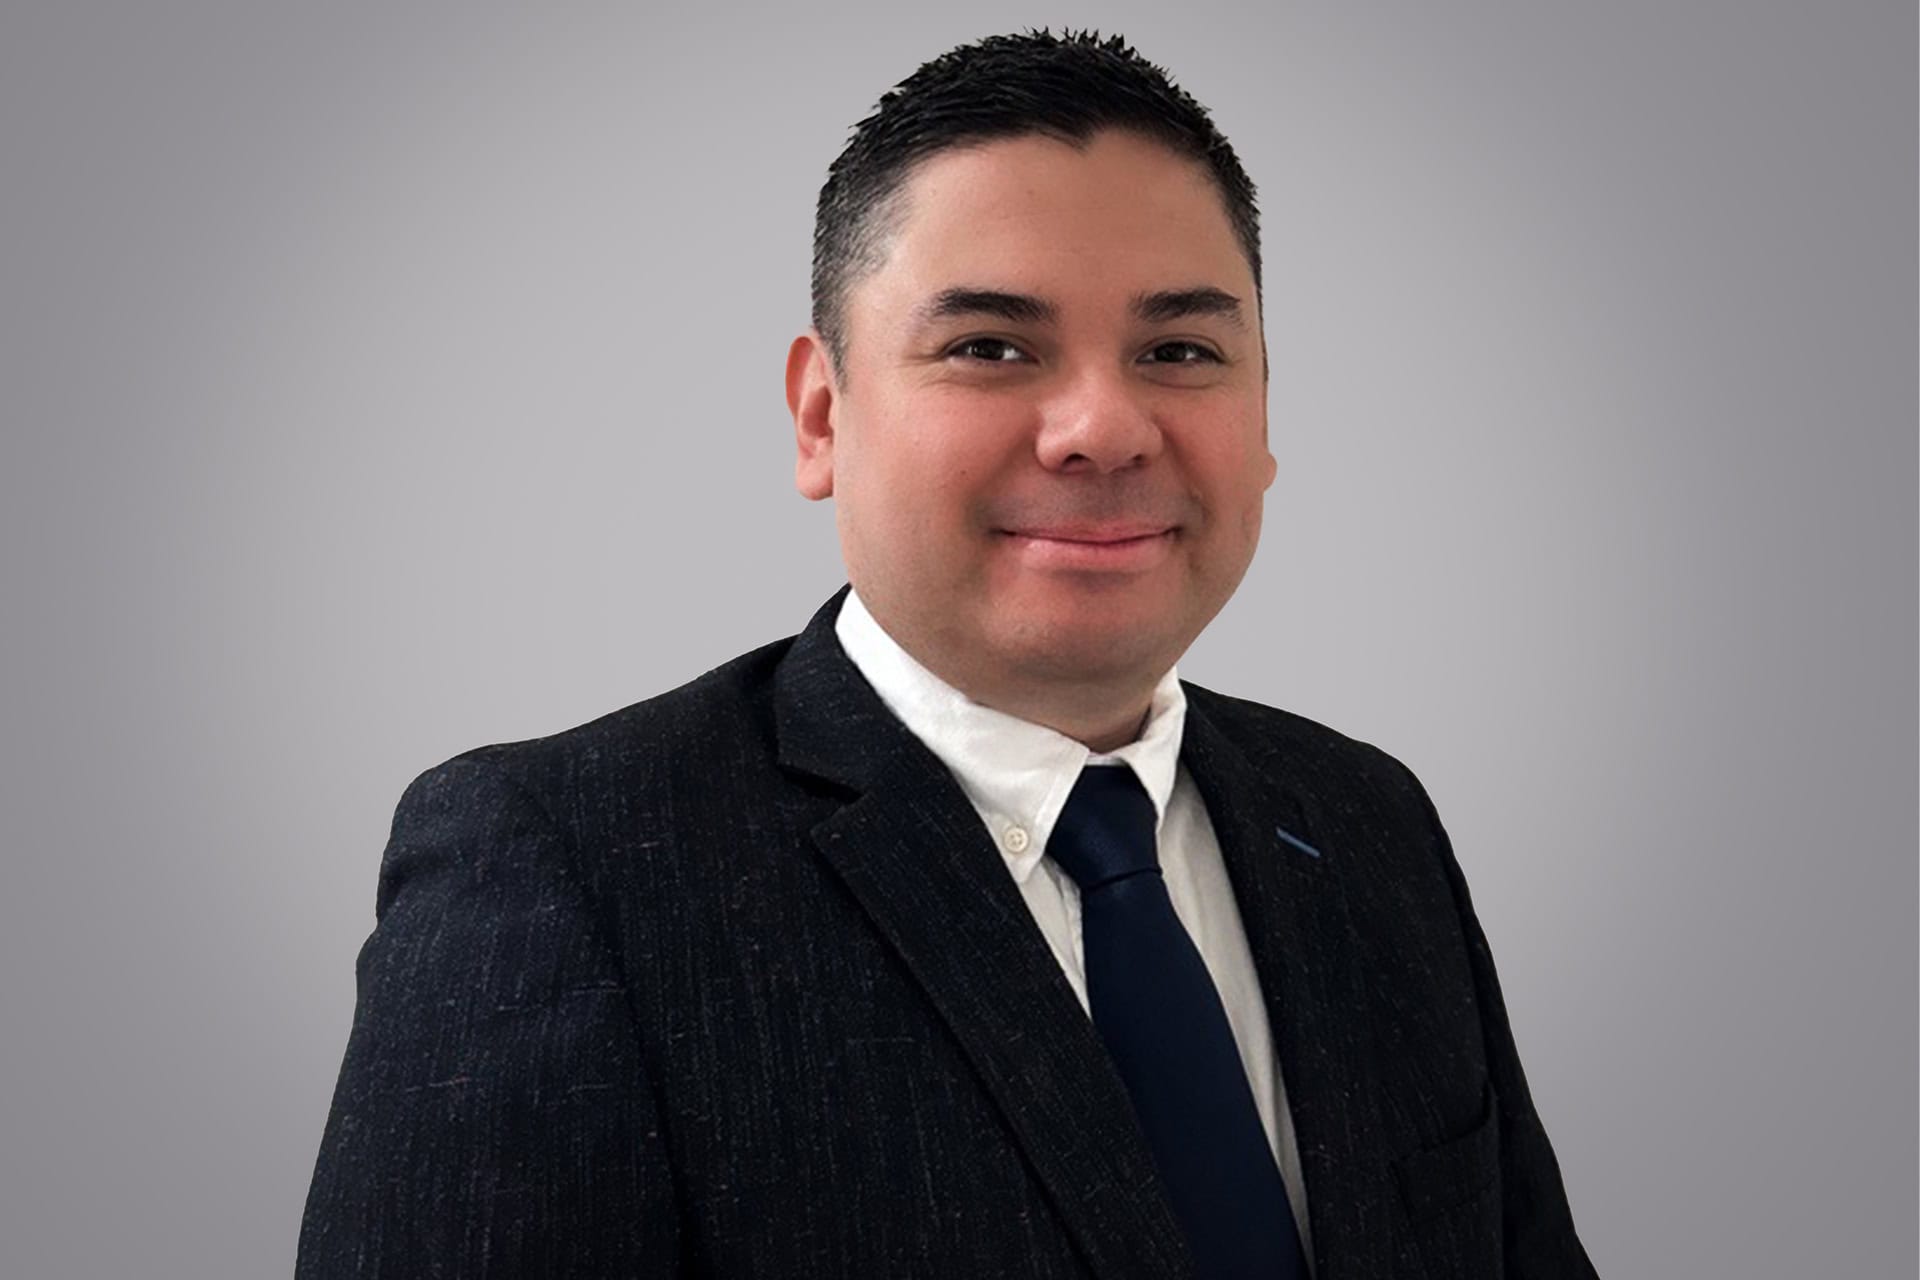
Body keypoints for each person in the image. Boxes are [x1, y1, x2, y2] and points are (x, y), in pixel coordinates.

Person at [298, 30, 1595, 1279]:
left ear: (1264, 422)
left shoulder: (1370, 826)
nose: (1101, 426)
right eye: (990, 347)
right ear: (822, 416)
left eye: (1180, 350)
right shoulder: (566, 872)